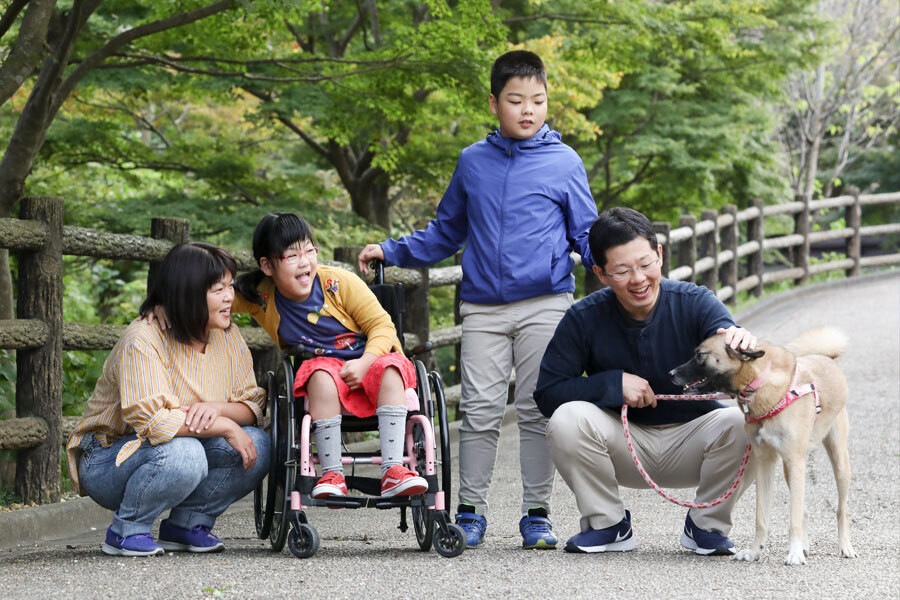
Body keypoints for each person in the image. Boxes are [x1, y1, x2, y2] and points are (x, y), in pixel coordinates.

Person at [357, 50, 598, 549]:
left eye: (538, 100)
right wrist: (392, 249)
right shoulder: (473, 161)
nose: (528, 109)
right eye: (516, 100)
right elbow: (446, 231)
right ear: (494, 103)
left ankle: (537, 513)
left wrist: (621, 264)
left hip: (547, 302)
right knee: (482, 409)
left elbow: (587, 235)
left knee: (537, 408)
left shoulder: (565, 161)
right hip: (483, 306)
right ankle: (469, 511)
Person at [534, 207, 757, 555]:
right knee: (566, 418)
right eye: (622, 270)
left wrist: (737, 338)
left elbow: (724, 333)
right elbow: (547, 394)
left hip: (696, 441)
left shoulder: (693, 301)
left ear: (660, 256)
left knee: (743, 420)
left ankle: (706, 525)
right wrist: (612, 384)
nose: (638, 279)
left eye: (645, 264)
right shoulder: (582, 317)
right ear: (601, 272)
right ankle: (607, 524)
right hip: (621, 443)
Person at [66, 243, 270, 557]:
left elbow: (253, 406)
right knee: (186, 454)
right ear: (187, 293)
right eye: (219, 289)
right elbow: (153, 422)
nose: (230, 296)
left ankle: (187, 526)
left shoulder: (227, 337)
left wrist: (217, 411)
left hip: (179, 445)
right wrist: (226, 426)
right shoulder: (144, 339)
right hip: (109, 457)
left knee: (258, 442)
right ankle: (127, 530)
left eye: (230, 286)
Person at [230, 212, 428, 500]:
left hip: (371, 360)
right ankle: (332, 473)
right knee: (319, 373)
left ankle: (394, 469)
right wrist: (165, 303)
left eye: (309, 250)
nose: (304, 261)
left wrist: (364, 363)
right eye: (291, 255)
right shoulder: (263, 296)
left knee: (390, 367)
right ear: (267, 265)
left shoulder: (339, 283)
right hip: (325, 372)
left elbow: (383, 326)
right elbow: (215, 294)